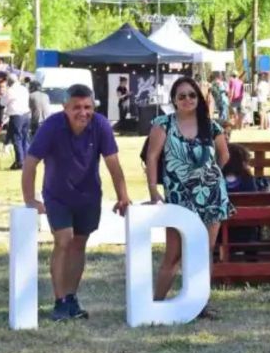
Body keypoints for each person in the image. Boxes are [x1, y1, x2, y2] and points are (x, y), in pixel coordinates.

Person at [22, 84, 130, 321]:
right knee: (64, 241)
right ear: (65, 108)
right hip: (57, 195)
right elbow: (30, 162)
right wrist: (30, 199)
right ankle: (59, 301)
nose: (83, 112)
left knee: (79, 244)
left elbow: (113, 164)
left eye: (87, 107)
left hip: (88, 195)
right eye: (77, 108)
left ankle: (71, 297)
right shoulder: (51, 126)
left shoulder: (100, 125)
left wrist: (123, 196)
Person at [146, 77, 231, 317]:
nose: (187, 100)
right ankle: (155, 304)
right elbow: (152, 157)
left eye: (192, 95)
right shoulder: (163, 124)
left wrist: (208, 177)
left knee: (204, 251)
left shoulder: (211, 126)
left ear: (199, 98)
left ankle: (200, 303)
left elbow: (224, 156)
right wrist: (154, 190)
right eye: (181, 96)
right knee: (173, 254)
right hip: (178, 197)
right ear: (173, 99)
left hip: (210, 196)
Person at [1, 73, 31, 170]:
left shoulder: (10, 91)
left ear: (9, 82)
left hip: (17, 116)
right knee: (24, 138)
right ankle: (26, 160)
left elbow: (2, 102)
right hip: (26, 115)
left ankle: (20, 162)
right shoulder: (23, 89)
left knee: (17, 139)